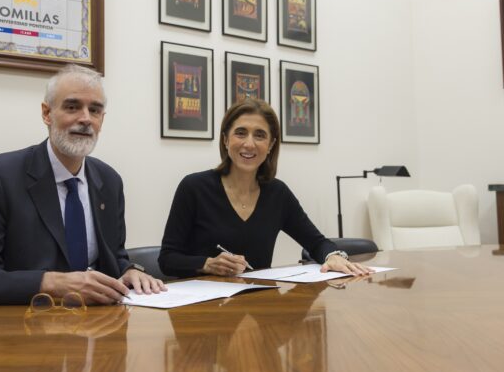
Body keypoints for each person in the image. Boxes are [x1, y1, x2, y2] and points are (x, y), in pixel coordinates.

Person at [0, 65, 165, 308]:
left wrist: (129, 270)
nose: (85, 119)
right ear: (47, 113)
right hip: (23, 333)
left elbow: (113, 257)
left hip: (98, 331)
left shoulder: (109, 181)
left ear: (102, 119)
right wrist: (51, 283)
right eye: (72, 107)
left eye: (95, 110)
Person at [158, 98, 372, 278]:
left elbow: (316, 243)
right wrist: (206, 263)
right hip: (202, 309)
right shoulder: (194, 187)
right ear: (225, 139)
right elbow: (167, 259)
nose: (249, 144)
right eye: (240, 133)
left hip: (258, 305)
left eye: (259, 135)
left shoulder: (277, 194)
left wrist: (333, 256)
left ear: (270, 145)